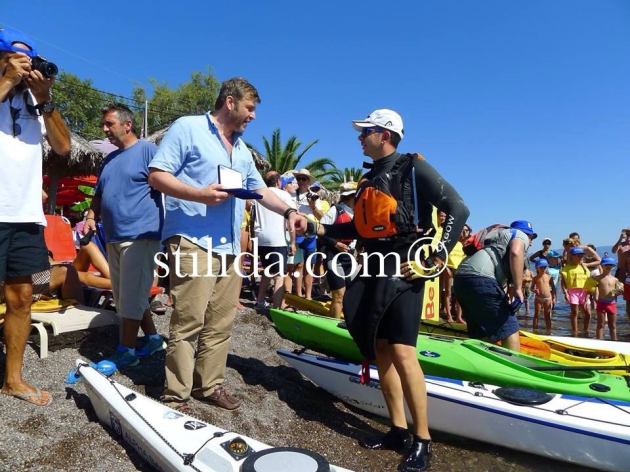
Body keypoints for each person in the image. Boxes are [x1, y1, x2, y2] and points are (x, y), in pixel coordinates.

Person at [314, 108, 469, 471]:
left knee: (402, 351)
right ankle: (397, 430)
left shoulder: (414, 168)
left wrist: (436, 256)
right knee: (380, 348)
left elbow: (457, 209)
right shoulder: (369, 180)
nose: (359, 137)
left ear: (384, 134)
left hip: (407, 267)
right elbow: (360, 230)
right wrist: (318, 229)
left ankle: (423, 439)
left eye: (365, 131)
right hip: (374, 267)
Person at [148, 77, 306, 413]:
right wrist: (200, 194)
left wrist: (290, 210)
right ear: (230, 102)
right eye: (250, 108)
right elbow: (157, 175)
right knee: (188, 319)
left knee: (221, 322)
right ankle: (177, 394)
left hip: (229, 248)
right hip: (191, 239)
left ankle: (210, 385)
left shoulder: (243, 151)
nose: (253, 116)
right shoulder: (187, 128)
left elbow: (260, 191)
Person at [0, 28, 70, 407]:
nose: (26, 66)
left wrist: (45, 100)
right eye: (16, 57)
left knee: (23, 296)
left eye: (30, 60)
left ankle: (13, 379)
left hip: (25, 214)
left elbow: (63, 145)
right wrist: (7, 80)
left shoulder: (35, 102)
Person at [84, 103, 165, 368]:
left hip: (141, 234)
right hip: (114, 237)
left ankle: (126, 352)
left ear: (127, 125)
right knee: (127, 295)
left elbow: (167, 185)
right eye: (104, 124)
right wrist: (90, 216)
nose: (104, 129)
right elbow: (98, 195)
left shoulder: (148, 151)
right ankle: (152, 339)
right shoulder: (109, 159)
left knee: (130, 296)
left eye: (109, 123)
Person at [455, 220, 537, 351]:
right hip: (480, 277)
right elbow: (516, 252)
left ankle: (480, 361)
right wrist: (518, 288)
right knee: (509, 328)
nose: (531, 242)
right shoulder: (520, 235)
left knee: (480, 329)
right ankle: (512, 367)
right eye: (531, 237)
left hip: (461, 278)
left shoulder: (495, 237)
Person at [253, 171, 296, 309]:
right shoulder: (284, 195)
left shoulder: (259, 195)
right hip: (277, 238)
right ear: (278, 182)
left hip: (261, 237)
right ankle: (277, 309)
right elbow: (291, 221)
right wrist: (293, 242)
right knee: (279, 275)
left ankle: (260, 302)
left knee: (267, 271)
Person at [319, 181, 357, 318]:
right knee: (339, 295)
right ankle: (331, 327)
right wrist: (335, 244)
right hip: (334, 257)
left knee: (350, 295)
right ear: (352, 196)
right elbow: (320, 233)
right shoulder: (335, 210)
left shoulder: (359, 213)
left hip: (351, 258)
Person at [560, 246, 592, 336]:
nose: (580, 257)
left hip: (584, 291)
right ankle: (575, 332)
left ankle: (586, 330)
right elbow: (563, 283)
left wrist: (588, 294)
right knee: (575, 312)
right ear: (572, 256)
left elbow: (589, 281)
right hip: (573, 291)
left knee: (588, 312)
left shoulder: (584, 267)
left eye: (581, 255)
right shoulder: (566, 268)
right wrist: (565, 293)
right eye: (578, 255)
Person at [443, 224, 470, 324]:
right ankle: (449, 316)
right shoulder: (450, 241)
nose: (463, 233)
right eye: (461, 230)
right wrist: (445, 268)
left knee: (459, 295)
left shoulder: (464, 244)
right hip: (449, 268)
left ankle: (459, 317)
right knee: (448, 293)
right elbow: (442, 255)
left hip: (459, 270)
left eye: (465, 231)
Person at [593, 257, 621, 340]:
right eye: (606, 265)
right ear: (602, 265)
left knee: (612, 325)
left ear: (613, 266)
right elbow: (592, 288)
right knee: (600, 324)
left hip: (612, 303)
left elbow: (618, 292)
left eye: (611, 265)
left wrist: (619, 291)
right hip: (601, 302)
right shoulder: (597, 278)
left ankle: (614, 341)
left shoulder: (615, 279)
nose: (608, 266)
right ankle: (599, 341)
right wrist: (594, 295)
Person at [531, 259, 554, 334]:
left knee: (547, 315)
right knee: (536, 314)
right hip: (538, 298)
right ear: (537, 268)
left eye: (544, 267)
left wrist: (554, 298)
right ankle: (534, 331)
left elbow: (553, 288)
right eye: (541, 267)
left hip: (548, 298)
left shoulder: (549, 277)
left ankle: (549, 331)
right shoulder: (535, 278)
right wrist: (534, 290)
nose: (543, 269)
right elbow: (531, 288)